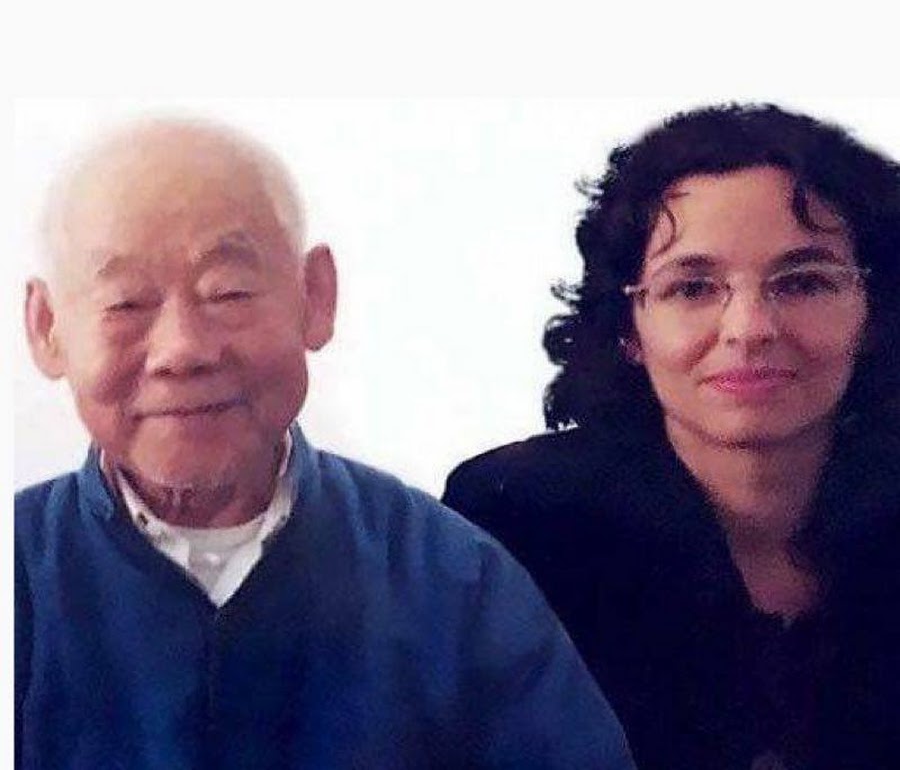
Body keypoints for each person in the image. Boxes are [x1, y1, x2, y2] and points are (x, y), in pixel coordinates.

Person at [15, 117, 635, 770]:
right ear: (47, 327)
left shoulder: (452, 583)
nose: (183, 350)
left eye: (228, 292)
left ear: (315, 295)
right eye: (125, 303)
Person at [444, 103, 900, 770]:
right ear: (628, 328)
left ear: (875, 313)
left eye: (804, 282)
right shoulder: (517, 523)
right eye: (693, 288)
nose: (749, 328)